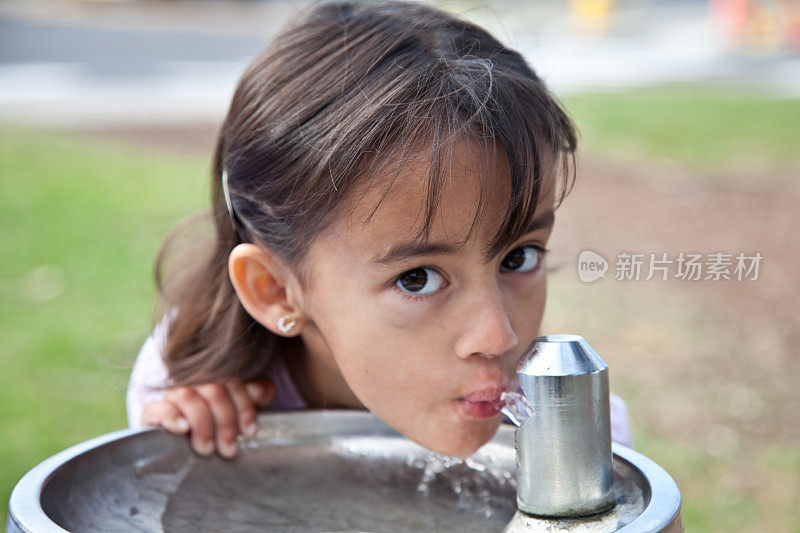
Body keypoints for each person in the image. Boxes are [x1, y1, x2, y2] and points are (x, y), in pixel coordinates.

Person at [126, 0, 632, 461]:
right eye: (418, 278)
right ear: (276, 291)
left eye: (518, 258)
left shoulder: (575, 436)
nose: (498, 336)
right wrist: (178, 441)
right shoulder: (191, 391)